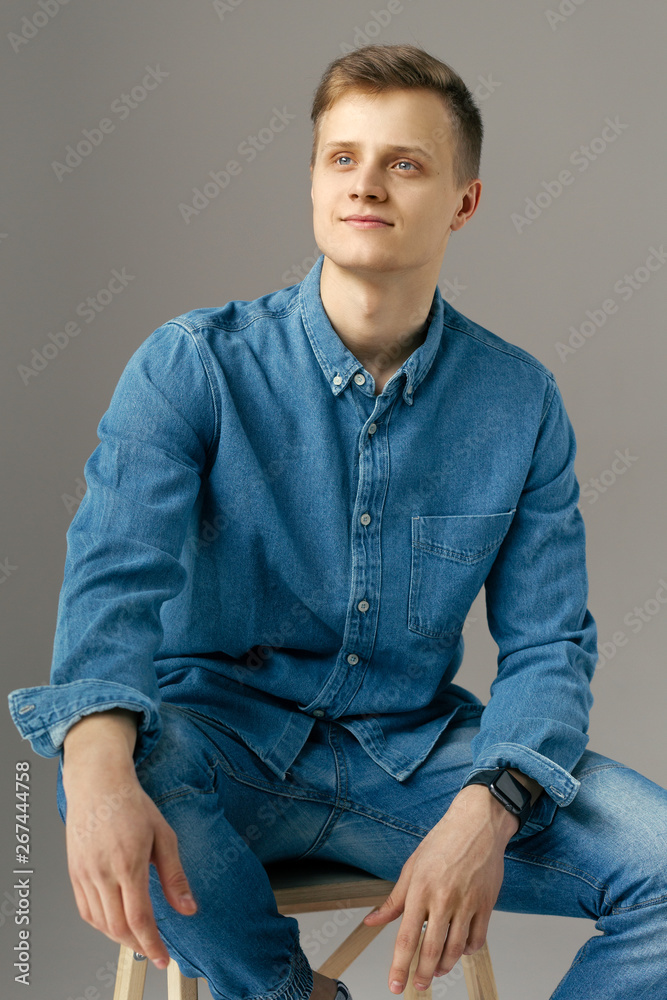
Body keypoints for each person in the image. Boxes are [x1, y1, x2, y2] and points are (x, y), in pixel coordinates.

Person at [8, 43, 667, 1000]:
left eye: (404, 163)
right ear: (314, 181)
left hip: (416, 762)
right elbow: (113, 584)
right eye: (342, 158)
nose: (366, 184)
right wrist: (95, 771)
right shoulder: (192, 365)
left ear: (464, 202)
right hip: (217, 751)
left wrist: (486, 810)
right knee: (112, 770)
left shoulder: (518, 401)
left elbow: (548, 646)